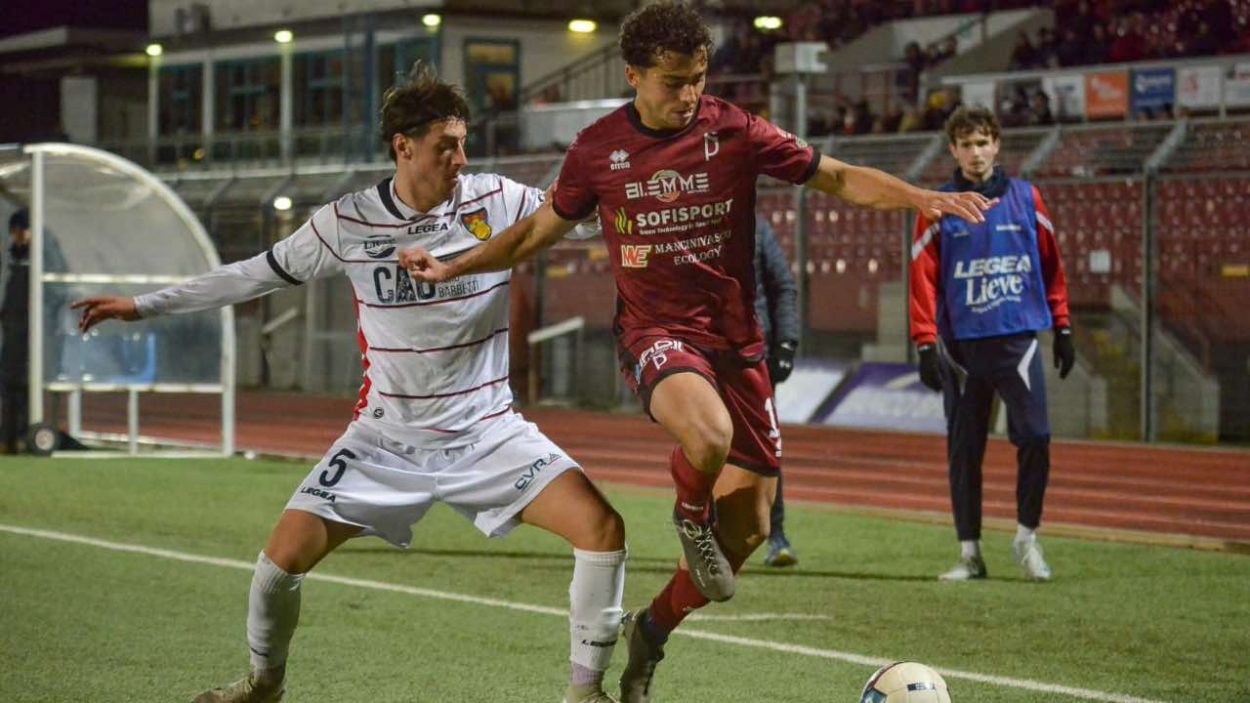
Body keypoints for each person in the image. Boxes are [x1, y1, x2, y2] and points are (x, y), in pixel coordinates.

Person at [397, 4, 990, 701]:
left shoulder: (733, 129)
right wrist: (455, 264)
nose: (689, 96)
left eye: (699, 80)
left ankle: (651, 627)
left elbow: (832, 176)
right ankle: (688, 512)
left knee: (748, 534)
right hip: (654, 333)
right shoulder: (597, 149)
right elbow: (534, 234)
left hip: (737, 343)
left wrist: (919, 196)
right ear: (634, 75)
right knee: (708, 436)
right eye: (674, 82)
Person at [71, 65, 628, 703]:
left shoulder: (498, 200)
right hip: (384, 441)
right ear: (404, 145)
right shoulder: (348, 222)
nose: (460, 158)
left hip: (488, 433)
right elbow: (251, 275)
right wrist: (144, 305)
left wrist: (627, 180)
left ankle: (585, 693)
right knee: (278, 565)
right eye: (446, 145)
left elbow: (576, 216)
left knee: (602, 530)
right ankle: (262, 685)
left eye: (463, 143)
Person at [908, 106, 1073, 584]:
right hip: (961, 351)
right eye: (966, 144)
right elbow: (921, 277)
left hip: (1018, 340)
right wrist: (923, 341)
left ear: (997, 144)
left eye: (983, 142)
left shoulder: (1027, 199)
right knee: (964, 451)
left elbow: (1052, 267)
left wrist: (1062, 326)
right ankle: (969, 553)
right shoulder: (937, 206)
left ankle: (1026, 538)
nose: (975, 153)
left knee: (1037, 437)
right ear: (953, 150)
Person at [752, 215, 800, 568]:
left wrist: (786, 343)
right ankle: (707, 536)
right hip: (701, 352)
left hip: (754, 352)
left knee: (765, 446)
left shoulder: (756, 226)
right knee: (705, 445)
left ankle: (777, 535)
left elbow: (782, 285)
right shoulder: (689, 220)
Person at [1, 209, 32, 453]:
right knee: (9, 383)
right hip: (12, 329)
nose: (17, 236)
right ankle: (8, 437)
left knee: (24, 384)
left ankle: (22, 436)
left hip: (33, 332)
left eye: (20, 230)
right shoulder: (10, 256)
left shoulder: (43, 254)